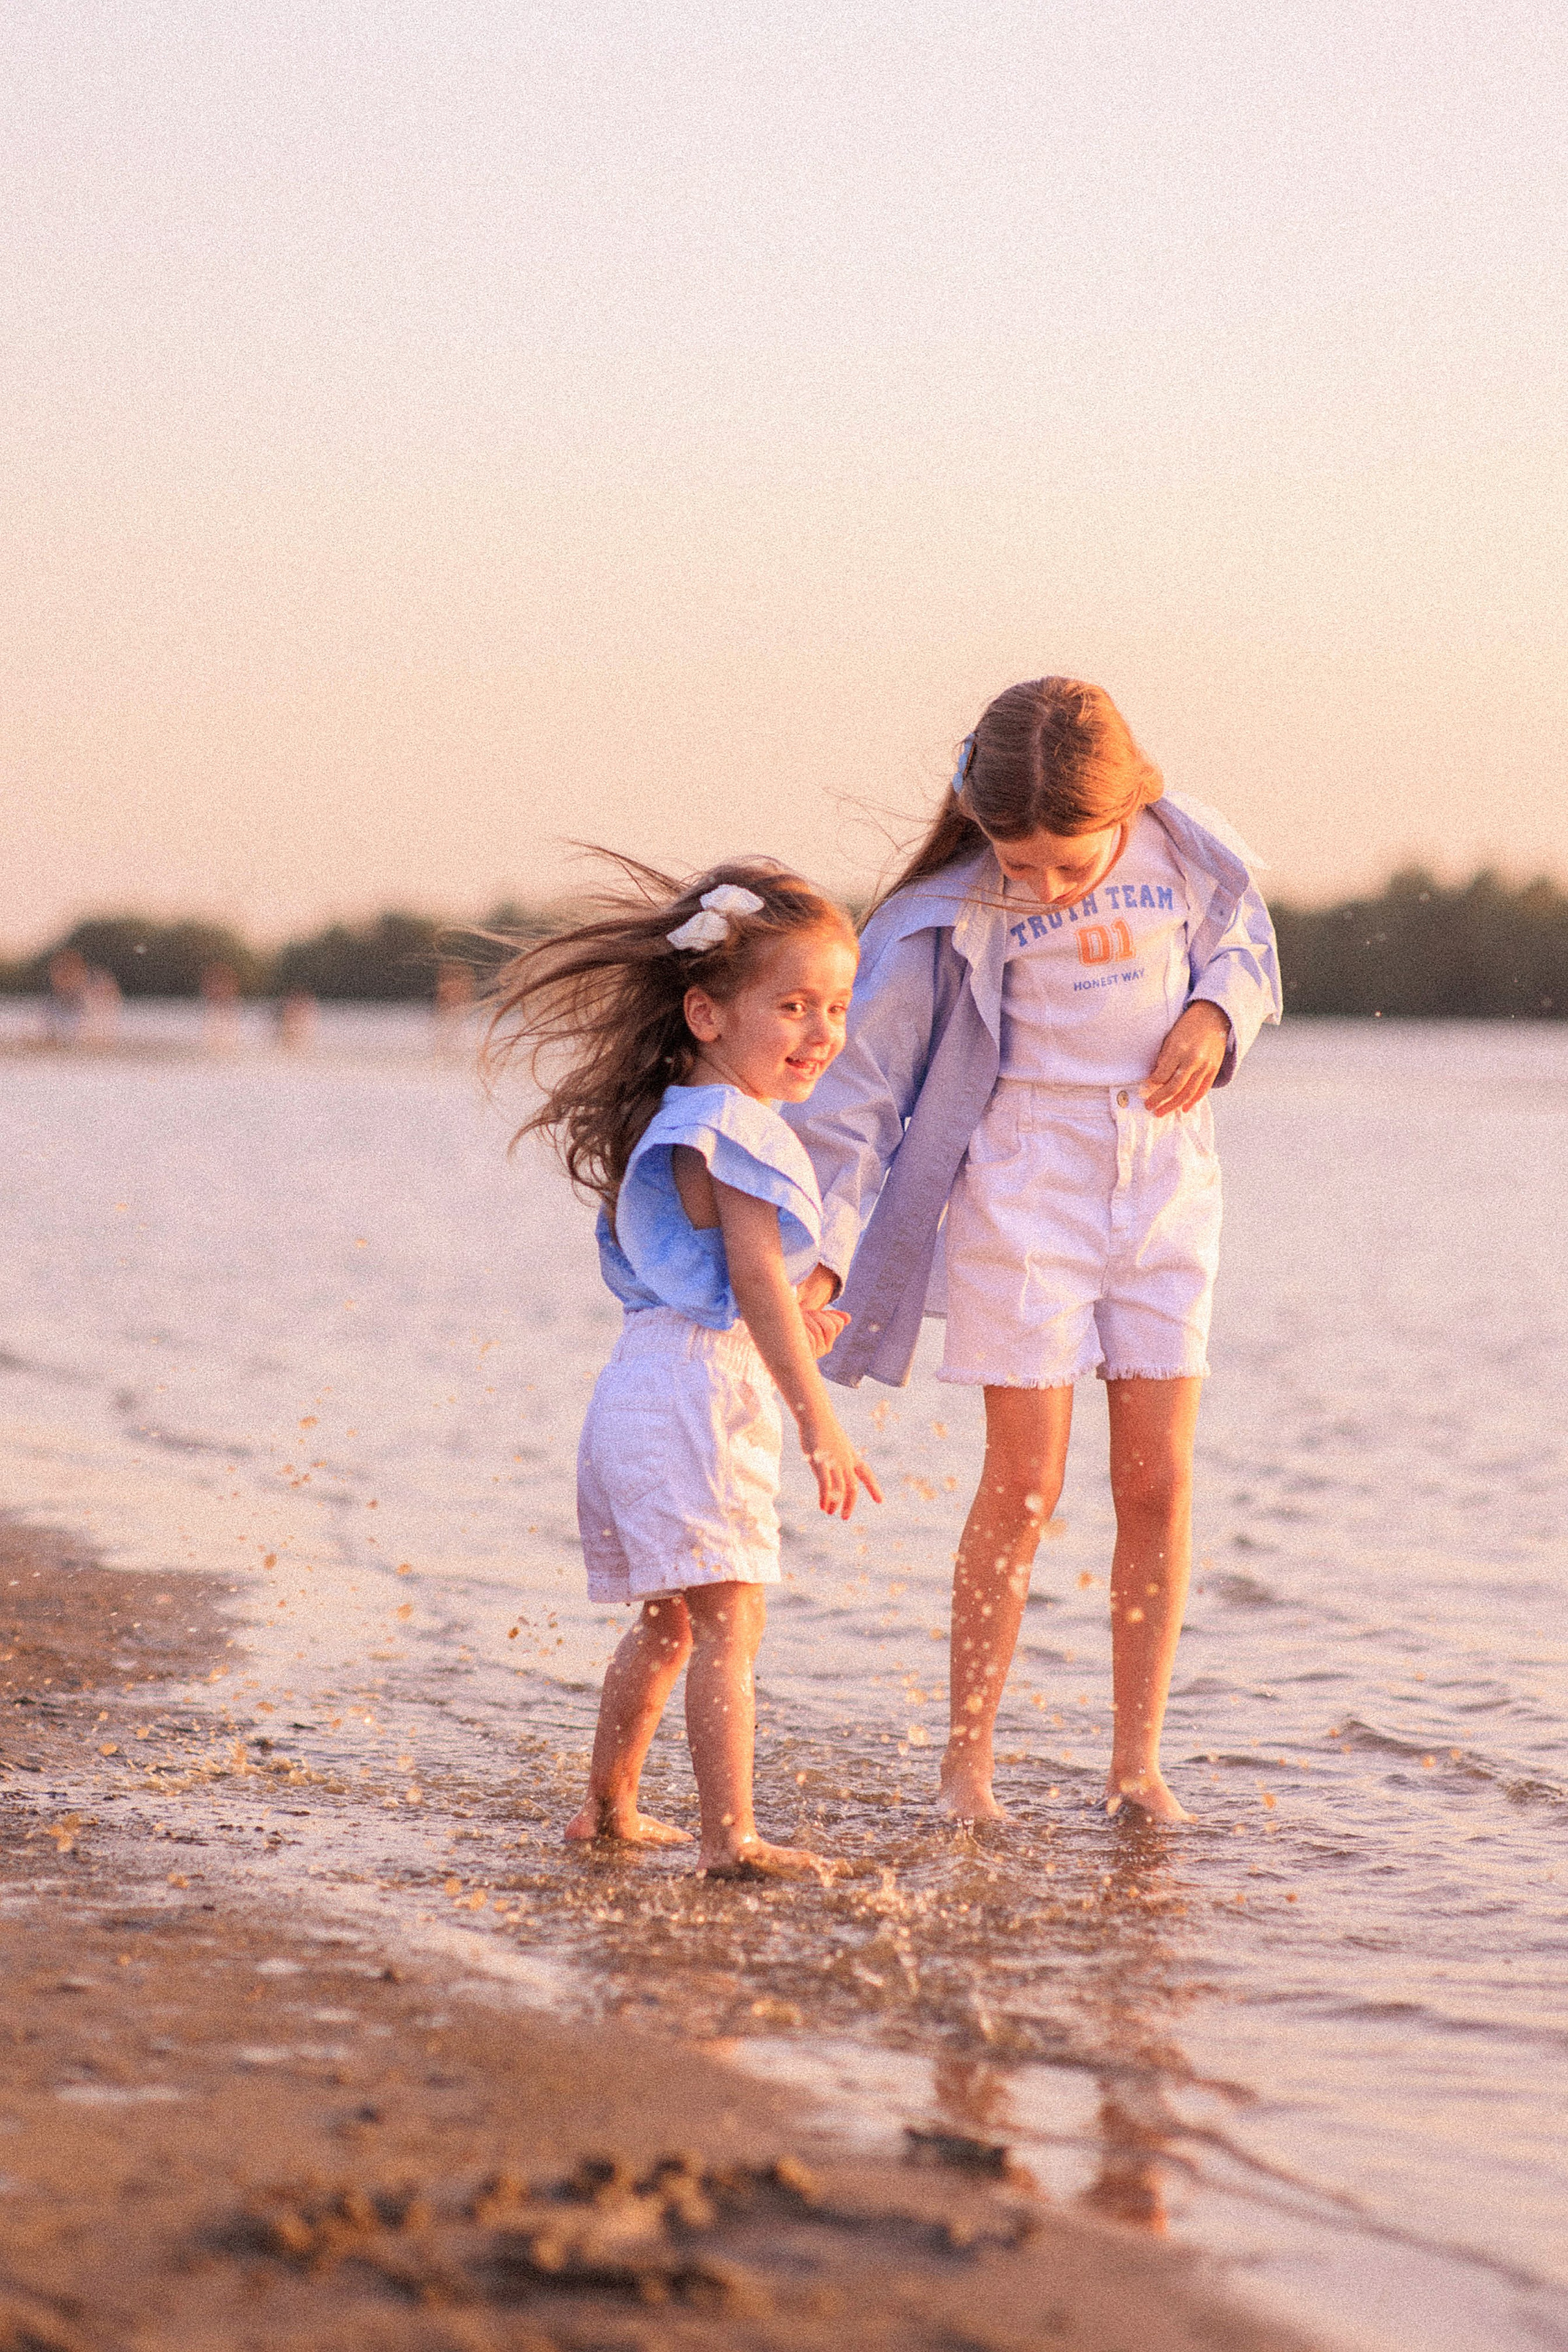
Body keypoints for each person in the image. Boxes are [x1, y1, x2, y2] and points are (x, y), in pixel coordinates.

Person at [787, 679, 1280, 1824]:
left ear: (1129, 800)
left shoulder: (1187, 845)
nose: (1043, 887)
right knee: (1027, 1481)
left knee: (1157, 1482)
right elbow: (859, 1096)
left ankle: (1135, 1766)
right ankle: (969, 1769)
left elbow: (1245, 944)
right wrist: (820, 1259)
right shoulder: (948, 911)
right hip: (1024, 1189)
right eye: (1022, 866)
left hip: (1164, 1184)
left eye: (1069, 863)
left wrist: (1217, 1014)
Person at [486, 857, 881, 1877]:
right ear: (707, 1014)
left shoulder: (677, 1117)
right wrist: (818, 1419)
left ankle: (610, 1809)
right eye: (792, 1006)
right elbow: (750, 1279)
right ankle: (731, 1840)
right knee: (729, 1625)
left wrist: (789, 1317)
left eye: (836, 1007)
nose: (822, 1032)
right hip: (696, 1400)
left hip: (641, 1385)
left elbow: (714, 1285)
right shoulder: (739, 1126)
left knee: (672, 1620)